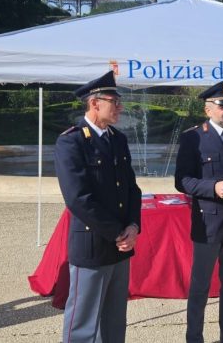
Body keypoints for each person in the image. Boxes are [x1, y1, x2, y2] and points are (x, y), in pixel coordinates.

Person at [54, 70, 141, 343]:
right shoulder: (72, 141)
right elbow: (78, 198)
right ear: (95, 103)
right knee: (82, 323)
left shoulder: (118, 139)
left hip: (121, 245)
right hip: (93, 245)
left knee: (115, 322)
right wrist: (118, 232)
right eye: (114, 102)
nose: (120, 107)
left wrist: (133, 226)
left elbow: (131, 189)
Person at [174, 80, 223, 343]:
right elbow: (182, 180)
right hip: (208, 225)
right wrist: (211, 187)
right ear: (208, 109)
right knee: (200, 288)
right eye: (222, 106)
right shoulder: (193, 137)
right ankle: (194, 338)